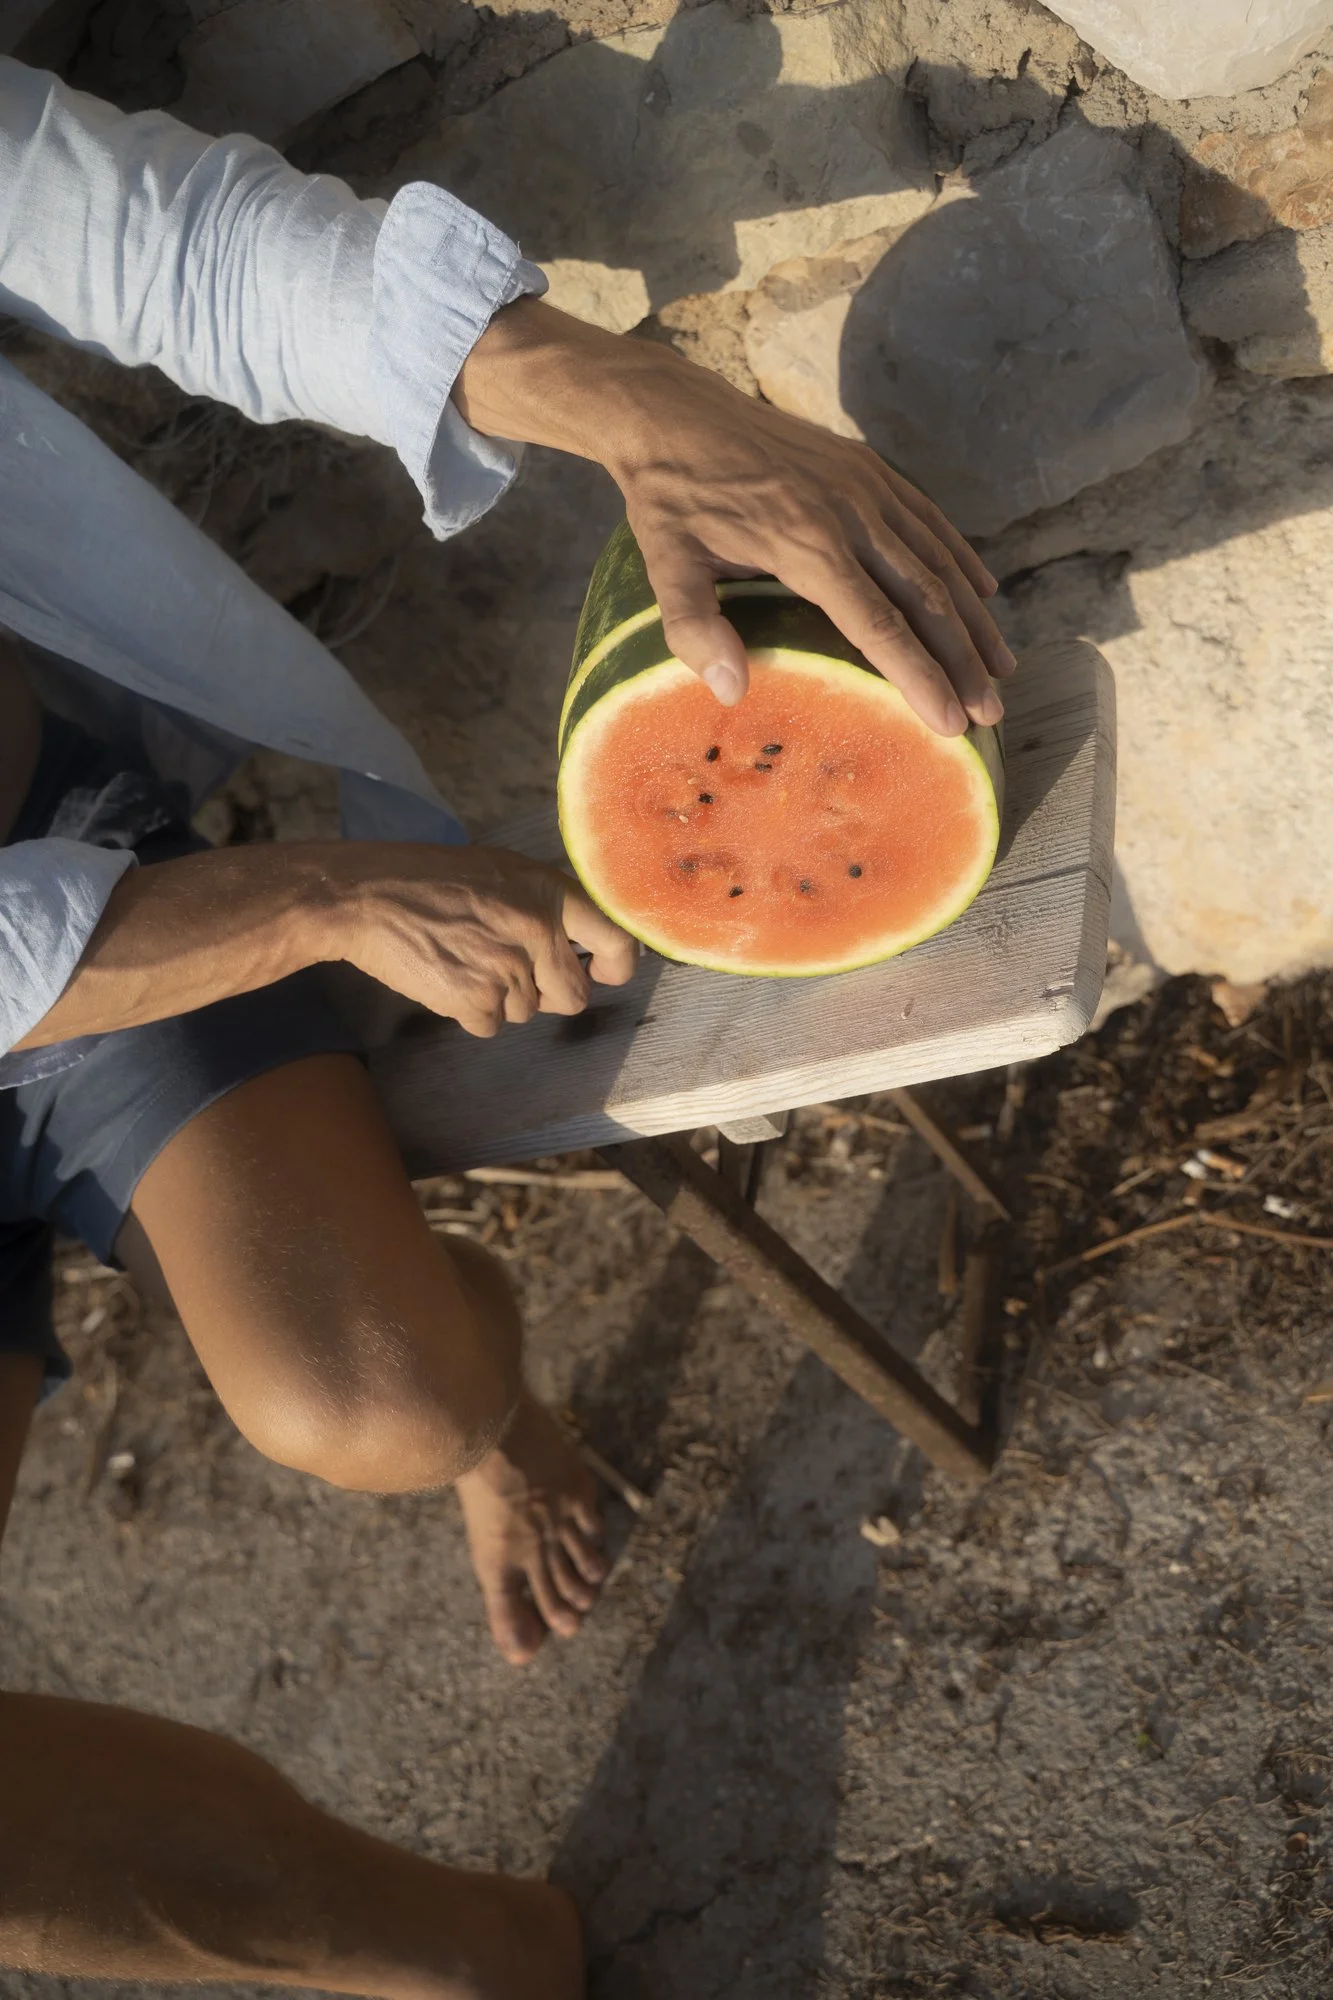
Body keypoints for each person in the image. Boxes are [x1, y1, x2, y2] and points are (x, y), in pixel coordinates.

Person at [0, 49, 1013, 2000]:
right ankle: (465, 1961)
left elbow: (161, 237)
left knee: (367, 1395)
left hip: (68, 869)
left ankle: (488, 1418)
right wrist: (328, 896)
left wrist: (624, 399)